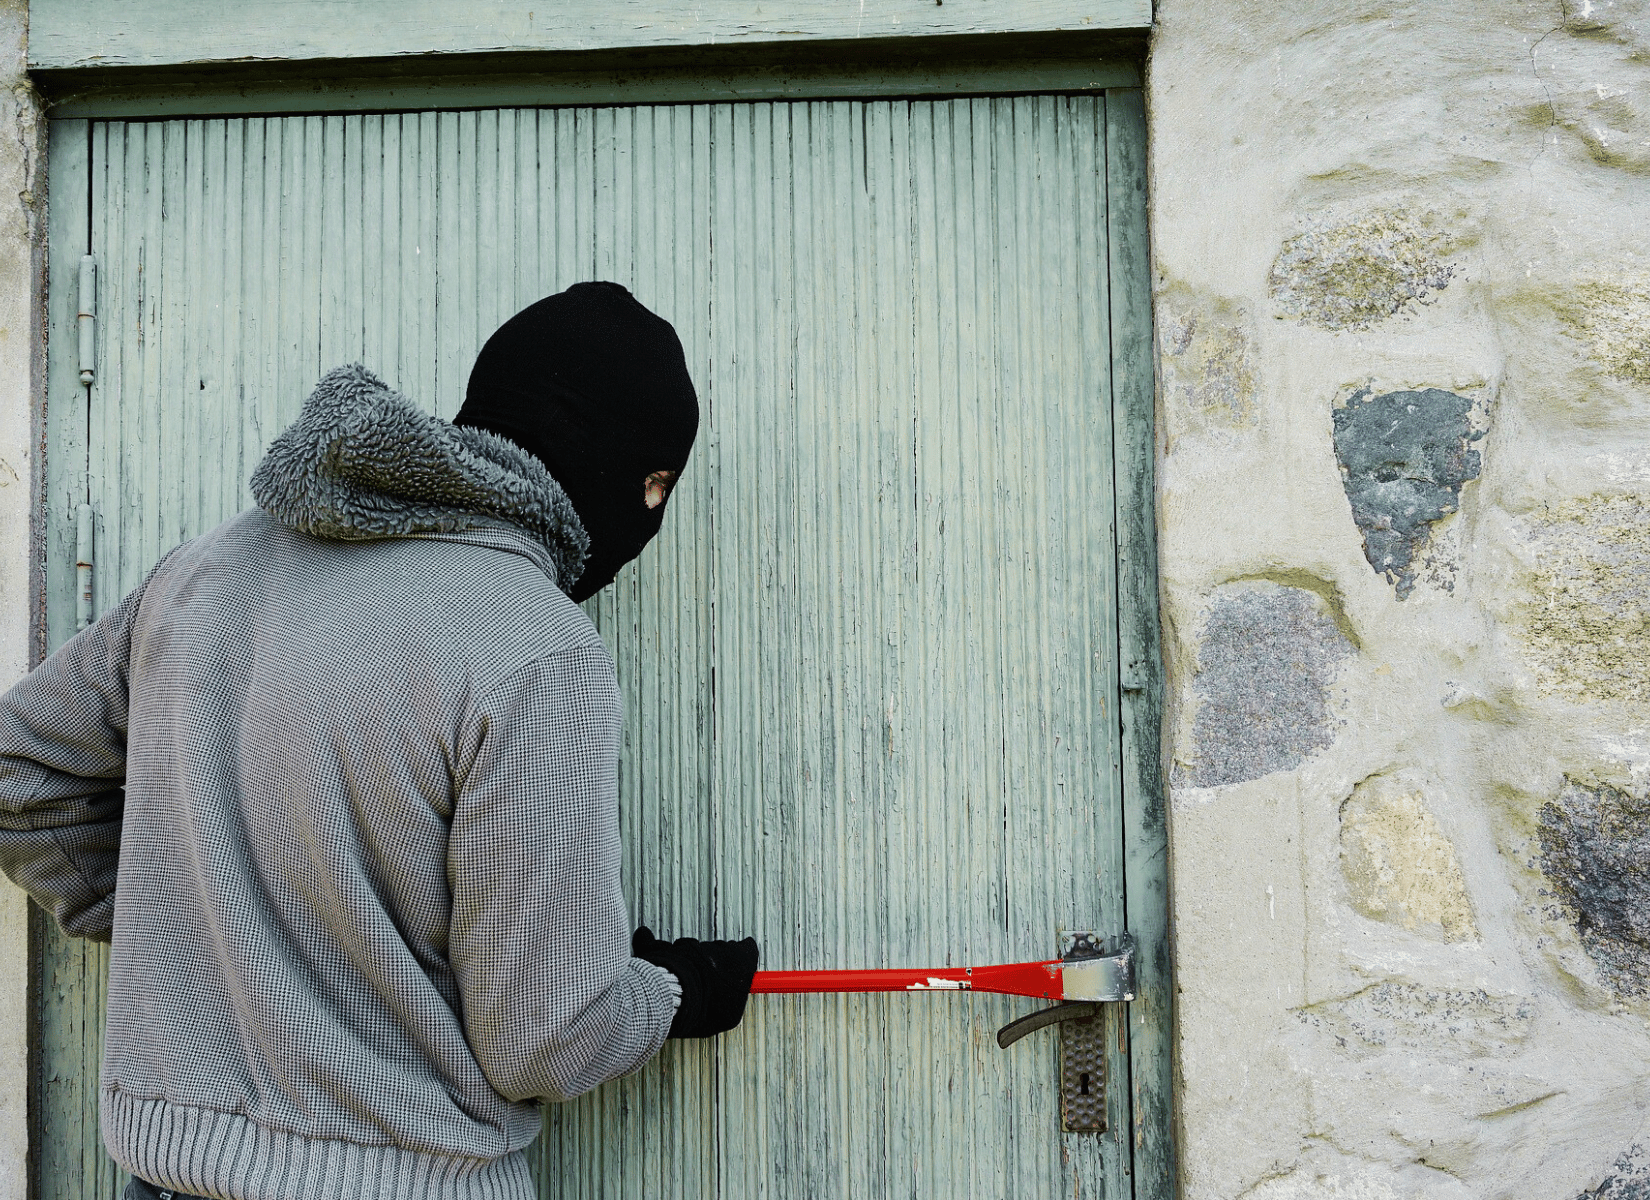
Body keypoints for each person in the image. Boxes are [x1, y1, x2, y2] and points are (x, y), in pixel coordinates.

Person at [0, 281, 758, 1200]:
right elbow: (548, 1037)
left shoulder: (202, 574)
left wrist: (208, 917)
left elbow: (20, 774)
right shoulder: (538, 648)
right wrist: (670, 991)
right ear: (614, 463)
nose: (649, 512)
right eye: (654, 484)